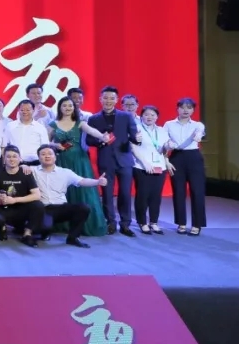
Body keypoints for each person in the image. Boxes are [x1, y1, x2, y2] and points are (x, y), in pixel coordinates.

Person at [47, 96, 107, 237]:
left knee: (84, 190)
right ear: (60, 108)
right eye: (64, 106)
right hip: (61, 160)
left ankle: (85, 224)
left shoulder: (80, 123)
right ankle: (63, 223)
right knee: (63, 189)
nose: (67, 108)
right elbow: (45, 141)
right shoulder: (53, 124)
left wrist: (102, 136)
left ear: (74, 108)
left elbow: (92, 131)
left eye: (70, 106)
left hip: (79, 161)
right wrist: (55, 145)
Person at [87, 85, 140, 237]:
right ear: (100, 99)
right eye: (105, 98)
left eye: (112, 98)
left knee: (125, 193)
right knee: (107, 193)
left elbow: (134, 137)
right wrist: (101, 140)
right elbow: (89, 140)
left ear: (117, 100)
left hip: (125, 160)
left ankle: (125, 224)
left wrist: (137, 139)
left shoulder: (126, 116)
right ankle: (110, 222)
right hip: (105, 160)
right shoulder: (94, 118)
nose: (108, 101)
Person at [31, 144, 101, 248]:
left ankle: (73, 238)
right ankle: (44, 232)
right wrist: (23, 166)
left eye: (50, 154)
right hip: (43, 208)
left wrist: (98, 182)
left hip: (61, 208)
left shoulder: (65, 172)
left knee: (83, 208)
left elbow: (82, 181)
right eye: (43, 154)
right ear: (38, 157)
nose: (47, 156)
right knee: (45, 227)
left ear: (55, 157)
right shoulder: (32, 171)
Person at [0, 146, 44, 247]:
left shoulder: (26, 173)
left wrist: (15, 200)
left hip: (22, 207)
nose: (11, 159)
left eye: (14, 156)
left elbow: (37, 195)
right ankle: (3, 228)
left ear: (20, 158)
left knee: (38, 205)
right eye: (8, 157)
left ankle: (27, 234)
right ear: (4, 159)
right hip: (4, 208)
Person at [164, 97, 207, 235]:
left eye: (189, 108)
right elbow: (163, 142)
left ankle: (197, 224)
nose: (185, 110)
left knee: (197, 191)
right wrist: (167, 150)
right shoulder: (169, 124)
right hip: (176, 157)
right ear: (177, 109)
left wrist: (198, 136)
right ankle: (181, 223)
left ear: (193, 110)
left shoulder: (197, 125)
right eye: (182, 107)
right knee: (178, 191)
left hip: (194, 157)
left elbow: (200, 133)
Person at [132, 105, 171, 234]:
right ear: (141, 116)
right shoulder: (137, 128)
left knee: (156, 196)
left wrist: (168, 146)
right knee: (143, 195)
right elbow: (133, 147)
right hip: (142, 167)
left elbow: (164, 149)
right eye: (146, 114)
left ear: (157, 117)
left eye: (153, 115)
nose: (149, 117)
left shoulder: (161, 130)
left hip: (159, 167)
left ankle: (154, 222)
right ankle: (142, 222)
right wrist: (145, 163)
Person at [4, 100, 49, 166]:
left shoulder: (40, 127)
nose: (25, 112)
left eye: (28, 110)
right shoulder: (10, 126)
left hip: (35, 163)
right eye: (22, 110)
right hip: (14, 163)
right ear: (18, 111)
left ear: (33, 110)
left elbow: (45, 147)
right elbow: (5, 144)